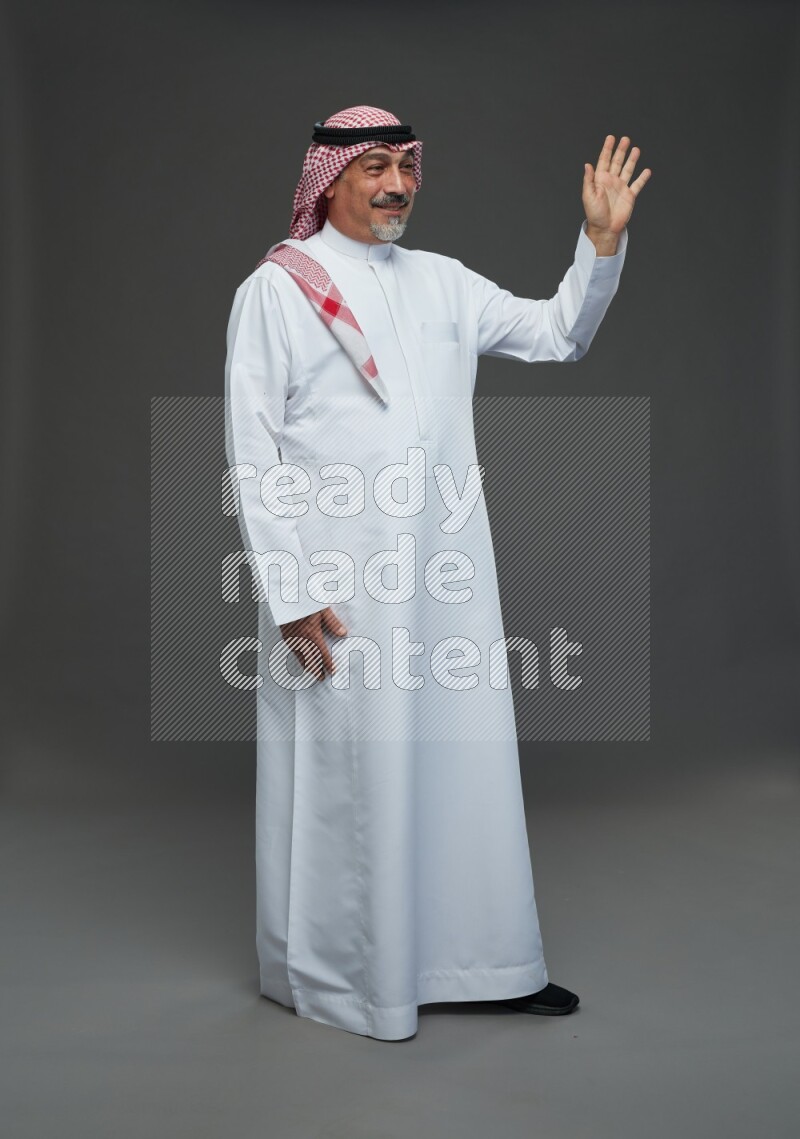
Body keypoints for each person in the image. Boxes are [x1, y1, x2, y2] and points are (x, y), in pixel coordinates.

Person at [224, 105, 651, 1041]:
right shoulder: (279, 291)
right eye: (374, 166)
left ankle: (485, 963)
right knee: (356, 775)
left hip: (446, 575)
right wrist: (291, 597)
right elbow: (251, 455)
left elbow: (556, 334)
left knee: (465, 765)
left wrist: (600, 243)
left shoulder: (444, 282)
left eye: (407, 167)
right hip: (336, 590)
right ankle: (350, 982)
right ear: (326, 178)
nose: (396, 185)